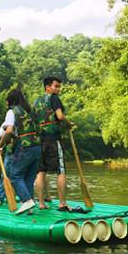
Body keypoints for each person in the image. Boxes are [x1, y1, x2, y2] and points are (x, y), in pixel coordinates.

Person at [0, 89, 41, 215]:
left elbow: (9, 130)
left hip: (25, 146)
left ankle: (26, 200)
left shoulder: (12, 112)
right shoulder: (30, 111)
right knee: (29, 177)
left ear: (10, 100)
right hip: (38, 146)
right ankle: (31, 206)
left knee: (15, 176)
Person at [33, 77, 74, 211]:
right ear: (47, 87)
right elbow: (60, 116)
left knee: (41, 171)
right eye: (56, 86)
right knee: (61, 170)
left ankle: (41, 203)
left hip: (40, 140)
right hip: (52, 139)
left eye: (59, 87)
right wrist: (69, 124)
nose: (58, 89)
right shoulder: (54, 98)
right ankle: (62, 203)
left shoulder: (36, 101)